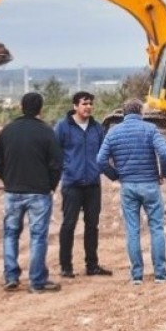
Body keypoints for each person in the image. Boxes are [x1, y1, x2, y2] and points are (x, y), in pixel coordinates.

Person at [96, 98, 166, 285]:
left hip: (128, 186)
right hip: (149, 184)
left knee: (132, 230)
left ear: (123, 113)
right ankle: (160, 274)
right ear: (141, 112)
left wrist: (116, 175)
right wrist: (164, 173)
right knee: (156, 228)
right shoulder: (150, 129)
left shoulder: (113, 132)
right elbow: (165, 153)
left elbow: (100, 160)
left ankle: (137, 275)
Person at [0, 92, 63, 293]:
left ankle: (11, 277)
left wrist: (8, 179)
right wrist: (50, 185)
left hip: (13, 191)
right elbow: (57, 164)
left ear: (21, 107)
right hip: (39, 192)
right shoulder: (47, 132)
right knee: (38, 236)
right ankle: (36, 281)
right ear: (40, 108)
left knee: (10, 234)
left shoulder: (8, 131)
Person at [54, 91, 113, 278]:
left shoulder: (97, 128)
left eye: (90, 104)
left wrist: (105, 171)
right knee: (69, 225)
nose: (88, 107)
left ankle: (92, 265)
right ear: (75, 106)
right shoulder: (63, 127)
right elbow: (55, 153)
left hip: (93, 185)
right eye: (84, 103)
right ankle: (66, 266)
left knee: (92, 225)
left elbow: (104, 153)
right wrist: (67, 169)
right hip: (72, 184)